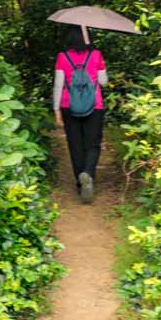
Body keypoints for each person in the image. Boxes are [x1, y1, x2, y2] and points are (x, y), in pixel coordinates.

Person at [52, 26, 108, 203]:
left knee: (75, 144)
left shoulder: (62, 57)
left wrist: (56, 110)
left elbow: (58, 85)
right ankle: (88, 174)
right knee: (93, 143)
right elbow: (103, 82)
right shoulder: (96, 55)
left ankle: (80, 182)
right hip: (95, 105)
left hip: (69, 105)